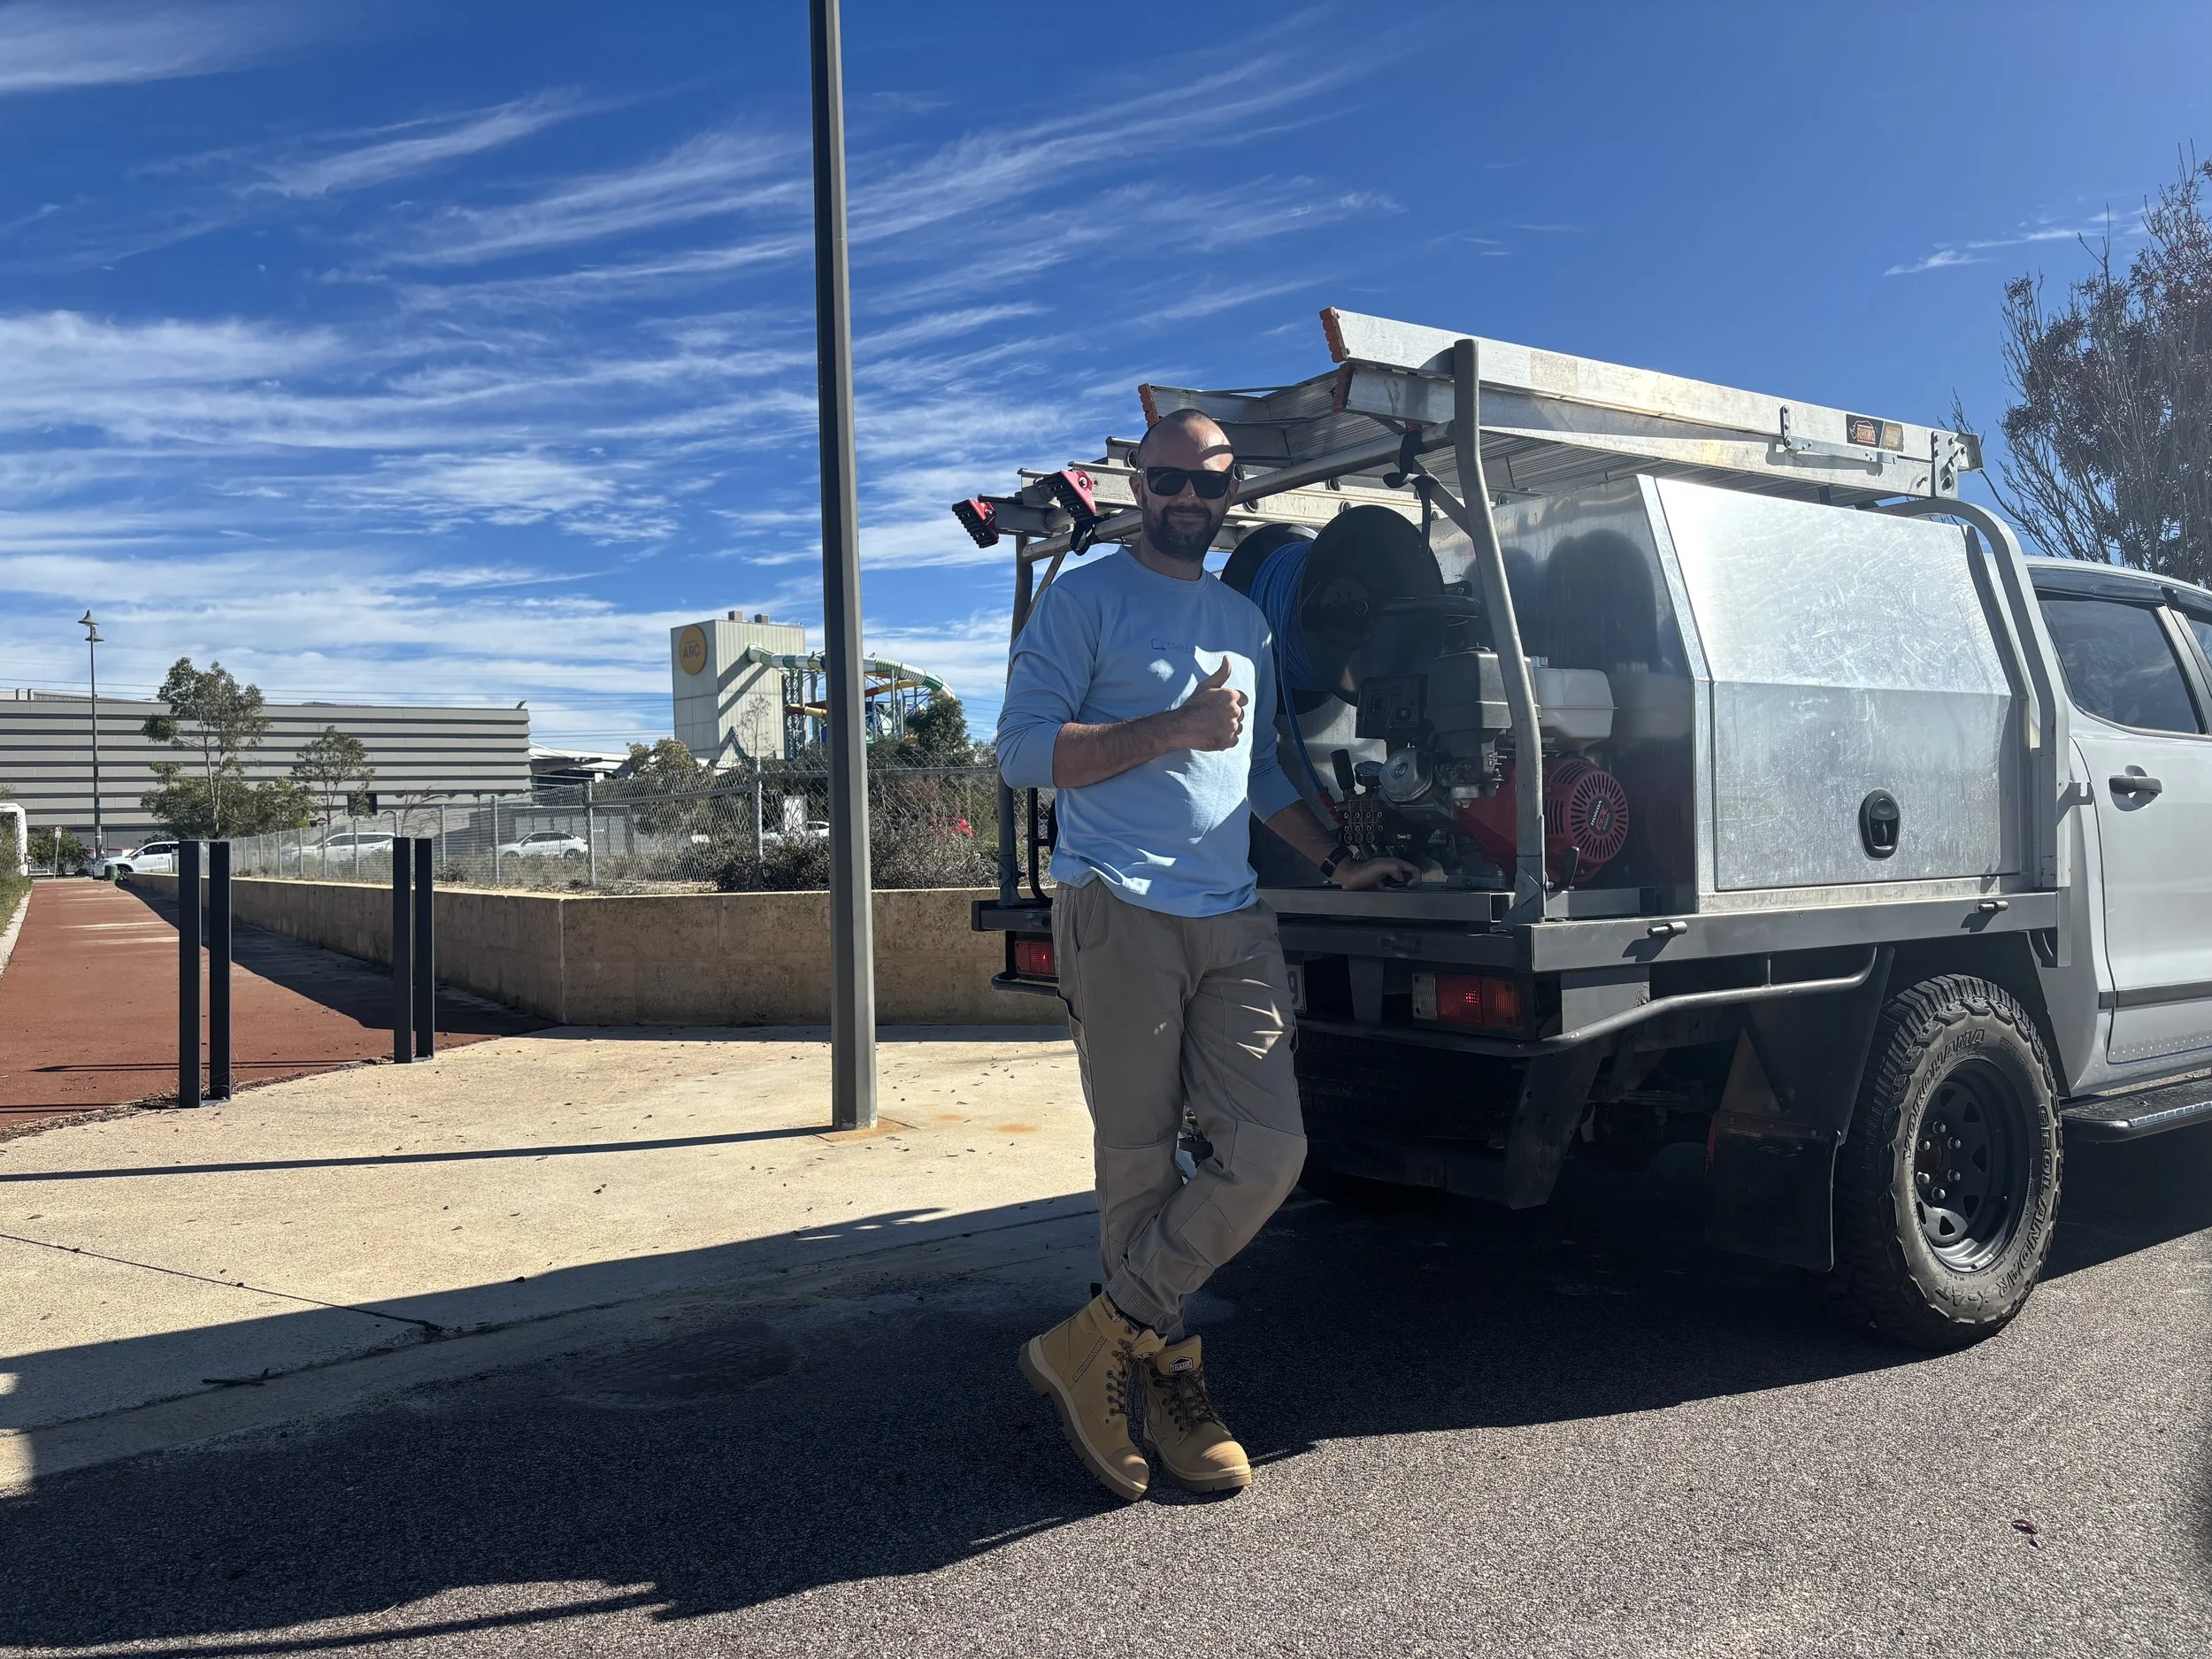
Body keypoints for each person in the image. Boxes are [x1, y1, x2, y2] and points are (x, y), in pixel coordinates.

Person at [995, 408, 1418, 1501]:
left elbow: (1264, 775)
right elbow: (1024, 752)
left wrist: (1333, 863)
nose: (1190, 499)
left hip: (1230, 914)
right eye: (1171, 479)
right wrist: (1167, 729)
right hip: (1118, 907)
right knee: (1138, 1165)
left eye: (1211, 484)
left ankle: (1096, 1339)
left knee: (1269, 1149)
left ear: (1235, 493)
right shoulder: (1084, 599)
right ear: (1141, 484)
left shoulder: (1245, 619)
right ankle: (1165, 1378)